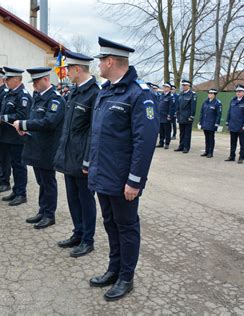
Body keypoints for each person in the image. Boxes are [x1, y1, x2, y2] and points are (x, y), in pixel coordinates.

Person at [86, 37, 159, 301]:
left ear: (110, 61)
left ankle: (126, 278)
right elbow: (97, 135)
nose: (98, 66)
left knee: (126, 227)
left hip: (123, 179)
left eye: (100, 61)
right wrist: (90, 165)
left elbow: (145, 141)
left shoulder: (139, 94)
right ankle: (114, 269)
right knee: (110, 224)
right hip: (103, 175)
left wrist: (135, 181)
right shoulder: (106, 91)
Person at [53, 50, 99, 257]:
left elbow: (93, 132)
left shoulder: (94, 94)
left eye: (69, 69)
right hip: (69, 157)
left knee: (85, 200)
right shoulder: (74, 92)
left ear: (77, 69)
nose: (66, 73)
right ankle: (78, 232)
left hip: (82, 159)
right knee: (73, 199)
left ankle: (88, 239)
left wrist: (88, 160)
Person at [13, 67, 65, 229]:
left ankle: (50, 214)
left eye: (36, 82)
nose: (34, 85)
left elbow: (49, 122)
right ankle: (42, 210)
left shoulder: (55, 99)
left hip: (48, 149)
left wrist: (24, 124)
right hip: (35, 146)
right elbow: (34, 119)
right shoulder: (38, 97)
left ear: (46, 79)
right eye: (33, 82)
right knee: (41, 181)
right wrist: (26, 128)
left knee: (48, 182)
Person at [0, 67, 32, 206]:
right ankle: (15, 190)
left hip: (16, 138)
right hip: (6, 136)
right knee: (10, 164)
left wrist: (1, 118)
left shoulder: (23, 95)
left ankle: (21, 193)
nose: (5, 81)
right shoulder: (9, 94)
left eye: (7, 79)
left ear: (16, 79)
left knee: (19, 166)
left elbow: (22, 116)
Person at [225, 84, 244, 164]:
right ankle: (232, 156)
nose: (238, 93)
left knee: (242, 143)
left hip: (241, 126)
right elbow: (229, 112)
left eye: (240, 91)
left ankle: (241, 157)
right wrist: (227, 122)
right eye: (237, 91)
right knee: (233, 142)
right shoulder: (233, 100)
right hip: (233, 124)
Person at [174, 79, 197, 153]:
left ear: (188, 86)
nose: (183, 87)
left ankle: (186, 147)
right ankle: (181, 146)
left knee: (187, 133)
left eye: (184, 85)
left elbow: (193, 107)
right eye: (182, 85)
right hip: (181, 116)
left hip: (187, 117)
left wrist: (191, 116)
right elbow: (178, 105)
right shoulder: (181, 94)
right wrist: (177, 114)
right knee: (182, 133)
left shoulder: (192, 94)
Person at [199, 89, 222, 158]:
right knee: (206, 138)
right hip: (205, 123)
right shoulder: (205, 102)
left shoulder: (217, 103)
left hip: (212, 123)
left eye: (211, 94)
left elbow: (219, 114)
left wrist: (217, 123)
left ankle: (210, 152)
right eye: (209, 93)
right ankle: (206, 151)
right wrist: (201, 121)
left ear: (214, 95)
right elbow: (202, 112)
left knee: (211, 138)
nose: (210, 95)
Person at [157, 82, 175, 149]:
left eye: (166, 87)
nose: (165, 88)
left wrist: (170, 115)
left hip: (166, 116)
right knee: (161, 130)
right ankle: (161, 142)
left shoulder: (171, 97)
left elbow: (172, 107)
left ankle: (167, 143)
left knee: (167, 131)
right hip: (160, 116)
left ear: (169, 88)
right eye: (164, 87)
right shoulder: (161, 95)